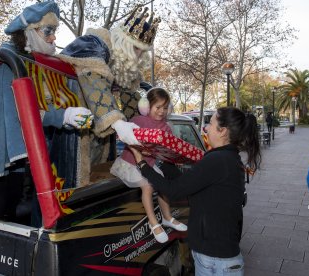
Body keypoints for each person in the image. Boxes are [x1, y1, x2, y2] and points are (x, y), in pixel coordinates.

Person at [0, 1, 92, 221]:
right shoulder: (6, 61)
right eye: (48, 31)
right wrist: (63, 116)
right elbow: (21, 113)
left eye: (54, 32)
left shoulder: (26, 61)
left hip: (11, 152)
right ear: (29, 32)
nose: (53, 38)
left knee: (11, 203)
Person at [129, 107, 261, 275]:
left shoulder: (217, 160)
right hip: (218, 258)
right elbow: (187, 184)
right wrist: (159, 158)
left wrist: (142, 163)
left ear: (223, 131)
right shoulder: (227, 158)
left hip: (216, 262)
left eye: (211, 124)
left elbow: (174, 190)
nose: (206, 128)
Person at [52, 5, 161, 187]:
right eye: (135, 48)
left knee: (95, 183)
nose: (138, 55)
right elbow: (93, 77)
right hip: (68, 125)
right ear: (123, 41)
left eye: (142, 51)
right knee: (67, 184)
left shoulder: (120, 61)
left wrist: (145, 127)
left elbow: (130, 96)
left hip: (97, 134)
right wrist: (117, 123)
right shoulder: (93, 44)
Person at [110, 87, 187, 243]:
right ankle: (153, 223)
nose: (161, 111)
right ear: (147, 107)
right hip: (130, 164)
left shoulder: (166, 127)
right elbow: (123, 136)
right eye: (157, 107)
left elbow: (166, 149)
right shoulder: (137, 121)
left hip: (149, 165)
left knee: (162, 184)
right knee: (148, 186)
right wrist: (139, 149)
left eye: (165, 108)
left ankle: (167, 217)